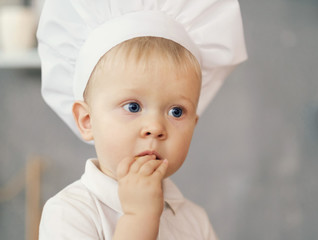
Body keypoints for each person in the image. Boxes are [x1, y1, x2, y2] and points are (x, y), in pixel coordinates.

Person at [37, 0, 247, 239]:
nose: (155, 128)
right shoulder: (70, 213)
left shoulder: (195, 221)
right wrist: (140, 217)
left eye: (176, 111)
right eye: (133, 106)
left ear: (193, 126)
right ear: (87, 120)